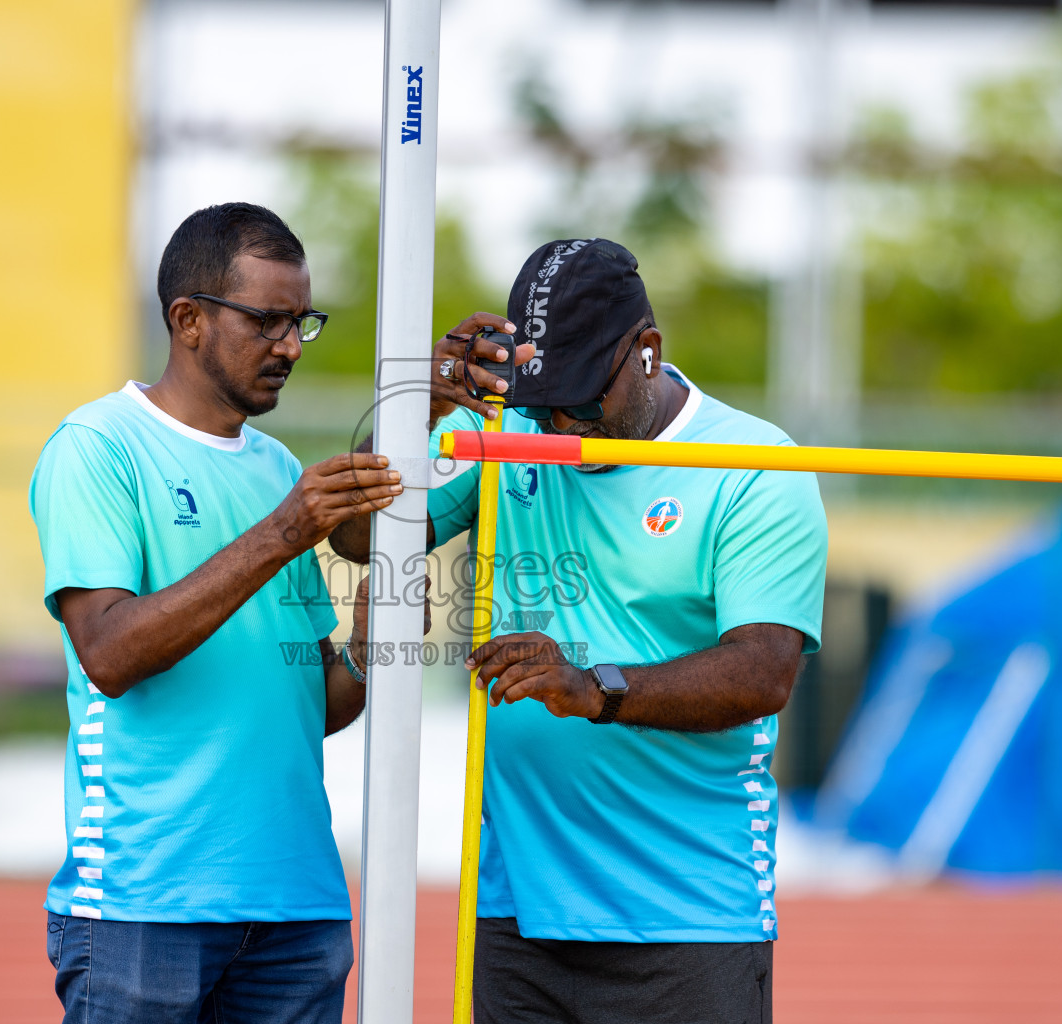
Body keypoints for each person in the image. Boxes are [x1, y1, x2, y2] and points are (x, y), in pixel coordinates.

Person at [331, 238, 828, 1024]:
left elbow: (764, 672)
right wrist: (415, 410)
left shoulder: (755, 465)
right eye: (541, 399)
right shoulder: (512, 429)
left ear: (647, 354)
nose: (560, 423)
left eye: (581, 399)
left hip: (688, 921)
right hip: (517, 912)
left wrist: (592, 687)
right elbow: (362, 537)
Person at [30, 202, 404, 1024]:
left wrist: (385, 593)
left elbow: (324, 704)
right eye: (267, 320)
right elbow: (110, 654)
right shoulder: (98, 447)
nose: (290, 346)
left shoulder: (276, 468)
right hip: (144, 901)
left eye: (302, 321)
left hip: (297, 906)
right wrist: (283, 533)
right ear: (188, 320)